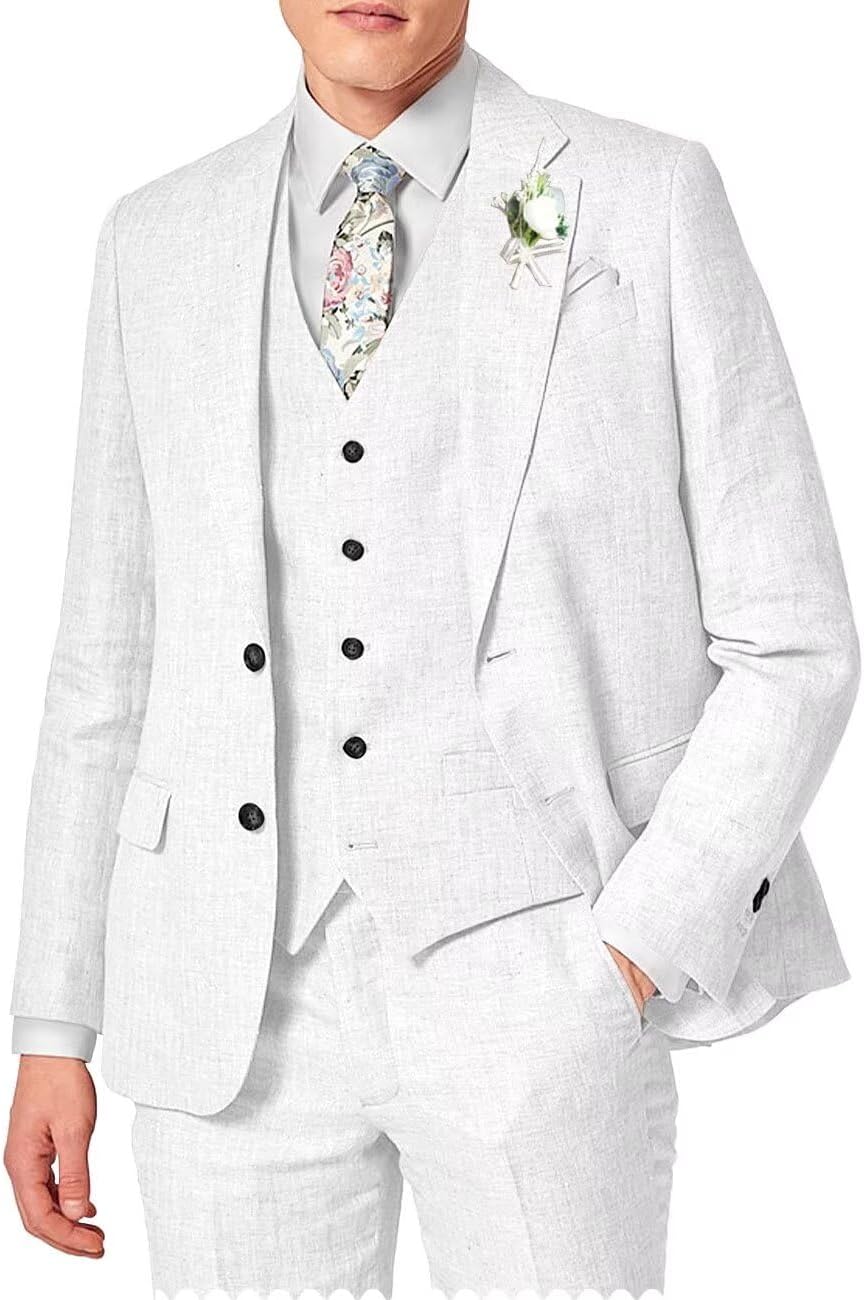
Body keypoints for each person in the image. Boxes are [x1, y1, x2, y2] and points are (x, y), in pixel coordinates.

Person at [5, 1, 859, 1294]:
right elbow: (104, 663)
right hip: (227, 993)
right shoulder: (157, 238)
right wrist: (54, 1020)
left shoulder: (644, 196)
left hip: (544, 973)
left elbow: (793, 636)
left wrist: (635, 943)